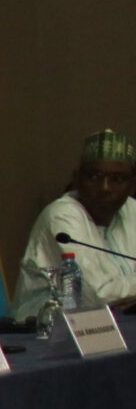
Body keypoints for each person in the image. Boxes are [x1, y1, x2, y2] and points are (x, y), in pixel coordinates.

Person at [15, 129, 136, 317]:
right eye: (94, 176)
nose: (105, 187)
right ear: (77, 179)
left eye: (117, 179)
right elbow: (95, 295)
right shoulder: (61, 216)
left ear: (132, 185)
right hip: (45, 328)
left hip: (114, 325)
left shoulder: (131, 209)